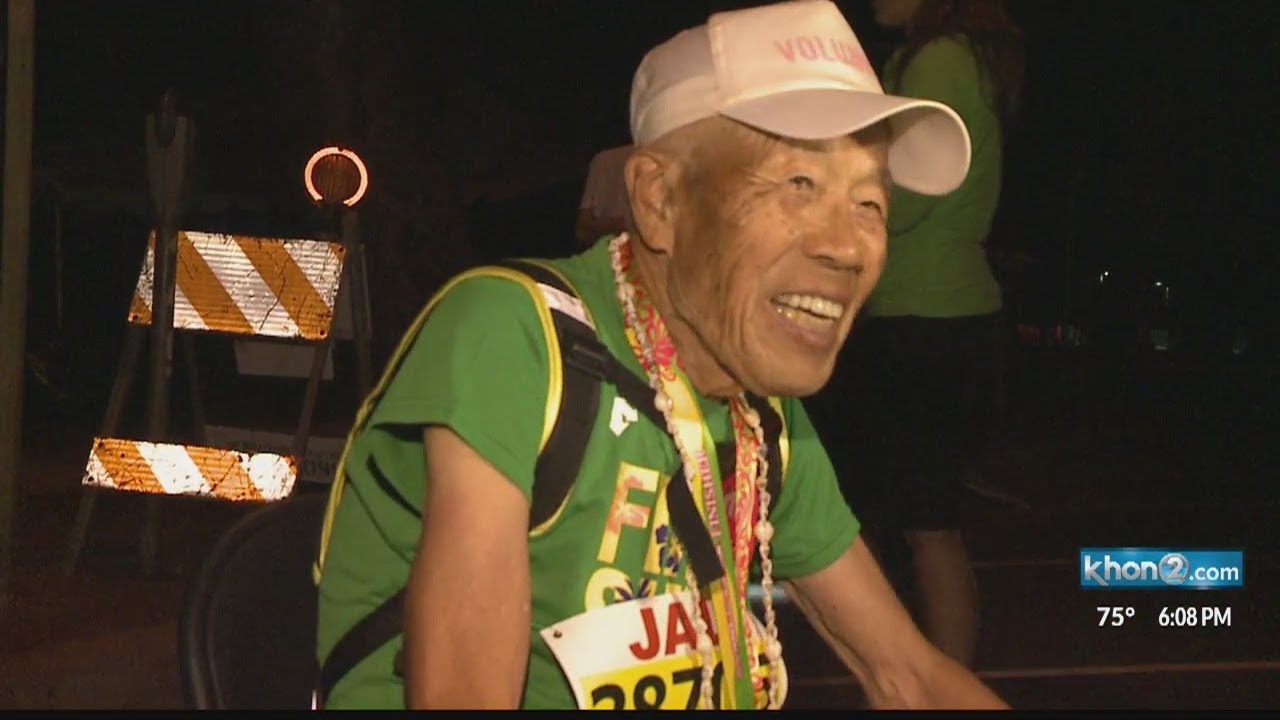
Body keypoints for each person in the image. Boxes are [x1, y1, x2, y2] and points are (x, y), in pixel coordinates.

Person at [313, 0, 1008, 710]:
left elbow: (908, 678)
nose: (847, 244)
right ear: (658, 199)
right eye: (798, 186)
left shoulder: (762, 421)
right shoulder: (516, 336)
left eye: (870, 204)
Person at [829, 0, 1025, 668]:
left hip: (922, 326)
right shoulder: (960, 58)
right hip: (945, 322)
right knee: (923, 524)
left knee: (917, 526)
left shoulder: (939, 61)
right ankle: (931, 679)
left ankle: (931, 684)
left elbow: (905, 195)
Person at [575, 144, 635, 245]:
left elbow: (582, 230)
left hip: (606, 250)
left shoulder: (602, 160)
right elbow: (582, 228)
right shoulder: (602, 160)